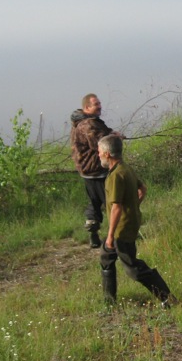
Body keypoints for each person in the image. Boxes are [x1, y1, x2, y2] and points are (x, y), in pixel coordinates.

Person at [97, 134, 174, 307]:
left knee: (132, 268)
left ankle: (166, 297)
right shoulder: (125, 168)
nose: (98, 155)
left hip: (121, 229)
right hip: (126, 223)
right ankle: (109, 301)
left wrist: (110, 236)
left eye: (99, 152)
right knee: (106, 256)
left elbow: (116, 207)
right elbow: (143, 188)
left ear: (107, 154)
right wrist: (134, 206)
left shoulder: (117, 175)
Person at [70, 93, 120, 248]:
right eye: (96, 104)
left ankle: (93, 232)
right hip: (96, 170)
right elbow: (100, 143)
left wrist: (113, 133)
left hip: (87, 171)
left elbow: (102, 132)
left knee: (95, 201)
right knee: (112, 201)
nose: (99, 106)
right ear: (87, 107)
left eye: (99, 103)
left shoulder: (86, 122)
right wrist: (116, 139)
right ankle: (117, 236)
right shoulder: (87, 125)